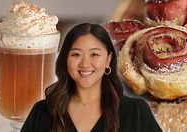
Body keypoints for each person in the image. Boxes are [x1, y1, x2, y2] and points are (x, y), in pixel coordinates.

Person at [21, 23, 162, 132]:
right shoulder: (42, 111)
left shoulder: (135, 112)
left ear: (108, 60)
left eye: (94, 54)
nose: (85, 64)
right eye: (76, 54)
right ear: (65, 59)